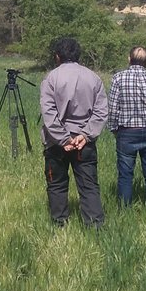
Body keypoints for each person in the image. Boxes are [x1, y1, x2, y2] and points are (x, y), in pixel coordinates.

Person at [39, 37, 109, 227]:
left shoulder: (51, 78)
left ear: (57, 56)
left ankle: (60, 223)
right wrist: (85, 135)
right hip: (84, 142)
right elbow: (101, 111)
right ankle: (94, 225)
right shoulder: (94, 78)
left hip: (55, 143)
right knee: (89, 185)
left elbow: (49, 113)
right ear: (78, 55)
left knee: (56, 184)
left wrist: (63, 139)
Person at [106, 46, 146, 207]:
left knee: (125, 174)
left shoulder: (118, 78)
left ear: (129, 59)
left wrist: (113, 128)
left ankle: (124, 208)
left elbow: (112, 107)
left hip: (126, 130)